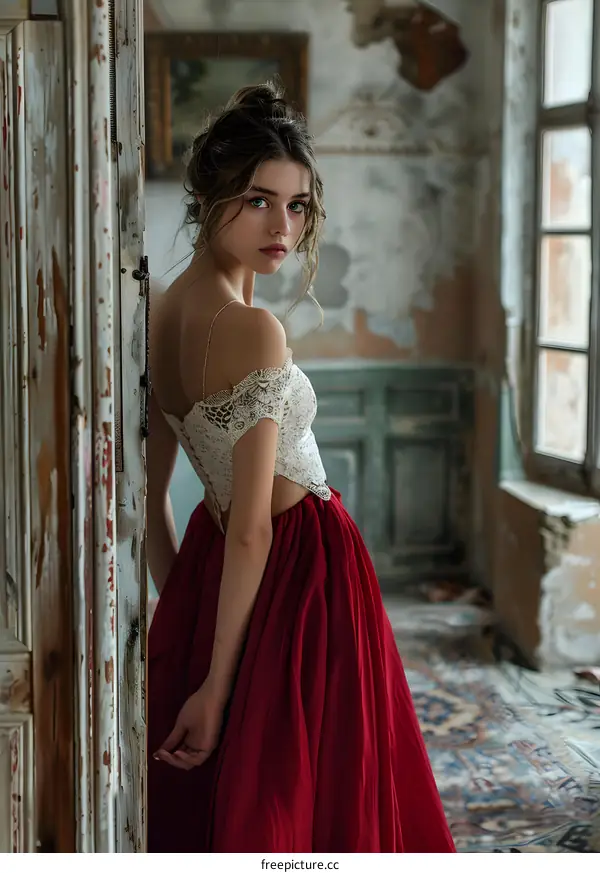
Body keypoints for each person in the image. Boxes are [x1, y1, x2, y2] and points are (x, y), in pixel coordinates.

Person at [146, 81, 456, 853]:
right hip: (300, 572)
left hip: (219, 568)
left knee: (260, 788)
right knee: (306, 796)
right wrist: (216, 686)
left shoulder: (163, 310)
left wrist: (189, 615)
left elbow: (147, 504)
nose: (282, 226)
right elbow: (252, 528)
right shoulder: (250, 329)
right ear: (212, 195)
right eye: (258, 200)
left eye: (298, 206)